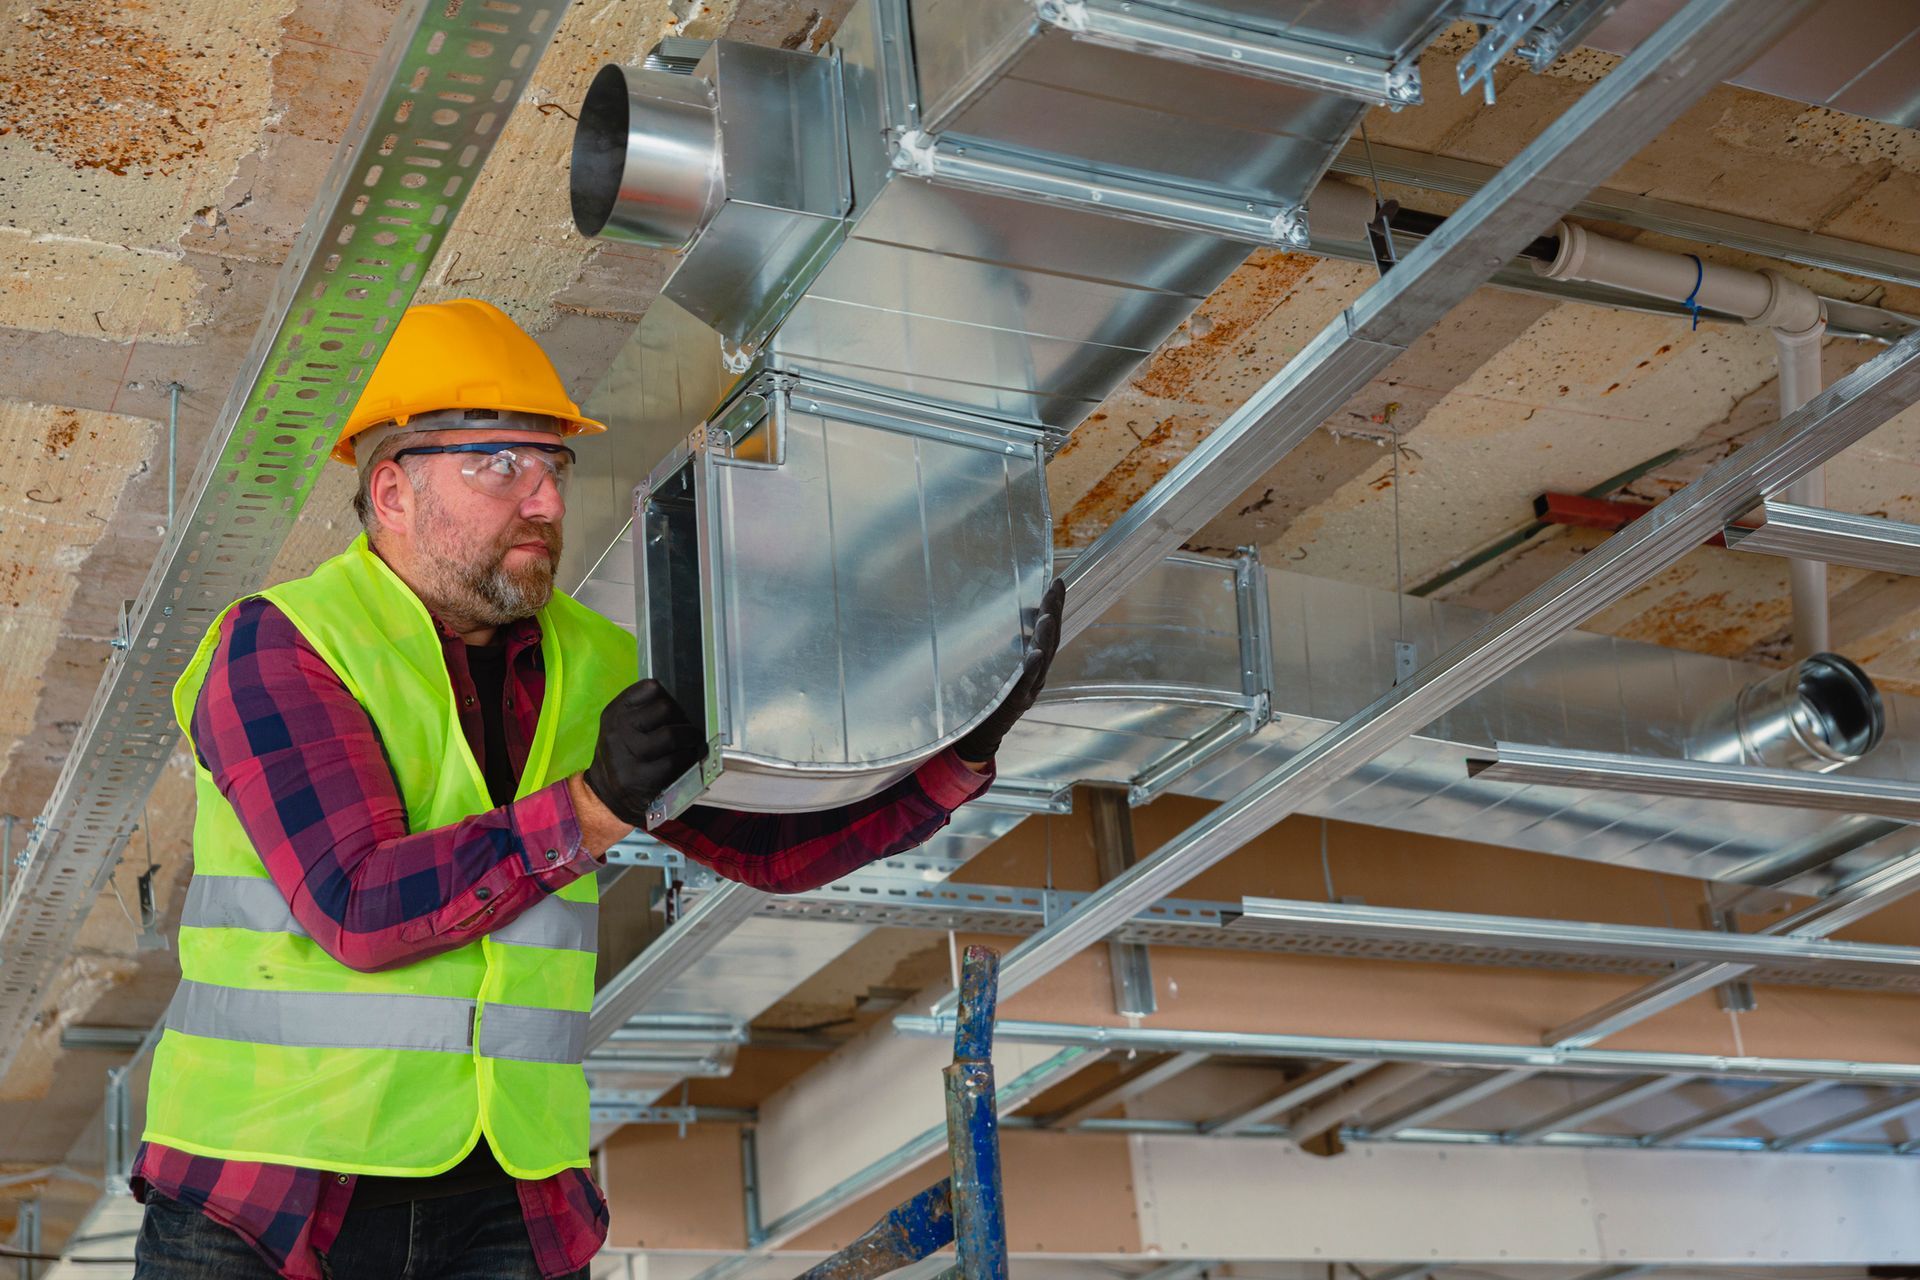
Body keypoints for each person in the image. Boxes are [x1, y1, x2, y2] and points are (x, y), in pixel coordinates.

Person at [129, 299, 1065, 1280]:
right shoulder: (282, 643)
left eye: (553, 468)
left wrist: (962, 743)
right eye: (499, 466)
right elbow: (357, 903)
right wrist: (591, 807)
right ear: (393, 490)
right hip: (267, 1196)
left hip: (505, 1198)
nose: (542, 501)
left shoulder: (598, 662)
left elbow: (775, 848)